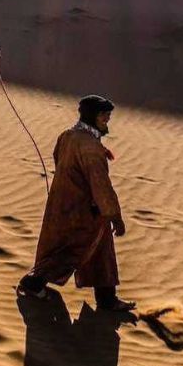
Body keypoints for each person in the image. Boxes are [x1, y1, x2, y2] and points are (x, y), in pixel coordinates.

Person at [17, 95, 135, 312]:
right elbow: (101, 185)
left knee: (101, 250)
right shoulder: (90, 148)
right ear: (92, 117)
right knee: (71, 250)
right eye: (103, 116)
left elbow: (58, 158)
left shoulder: (68, 136)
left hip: (67, 205)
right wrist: (115, 217)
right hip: (83, 213)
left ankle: (107, 299)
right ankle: (33, 283)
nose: (107, 120)